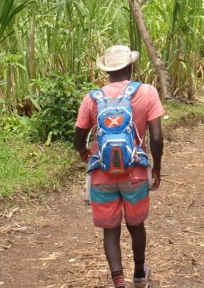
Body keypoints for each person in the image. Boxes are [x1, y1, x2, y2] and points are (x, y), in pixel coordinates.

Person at [74, 45, 164, 288]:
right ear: (131, 67)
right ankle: (138, 273)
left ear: (106, 71)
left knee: (110, 230)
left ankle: (119, 282)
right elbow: (156, 136)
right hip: (135, 172)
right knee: (136, 225)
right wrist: (156, 168)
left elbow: (78, 139)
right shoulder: (147, 93)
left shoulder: (92, 98)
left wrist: (85, 153)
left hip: (103, 176)